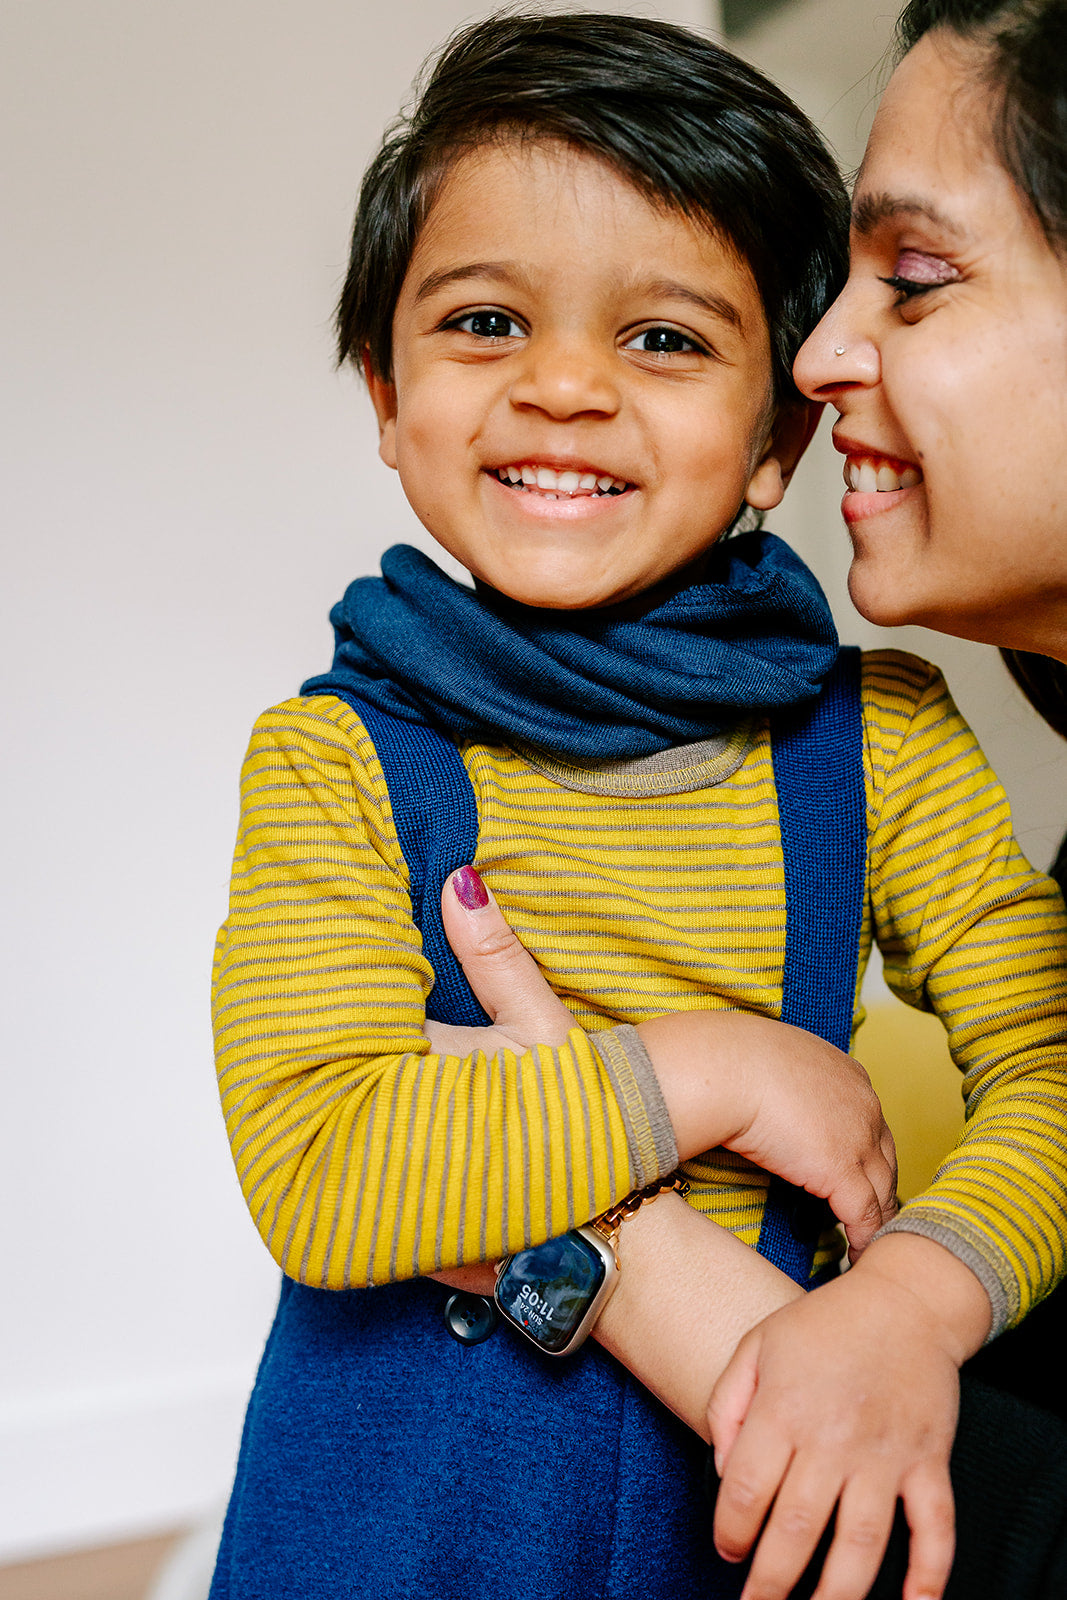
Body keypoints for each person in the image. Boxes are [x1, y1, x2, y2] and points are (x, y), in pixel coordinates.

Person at [208, 11, 1067, 1600]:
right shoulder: (335, 759)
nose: (564, 389)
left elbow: (1059, 1066)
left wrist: (917, 1289)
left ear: (778, 439)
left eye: (665, 341)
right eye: (482, 322)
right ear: (386, 398)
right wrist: (716, 1073)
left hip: (737, 1513)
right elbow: (317, 1161)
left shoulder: (876, 740)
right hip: (399, 1534)